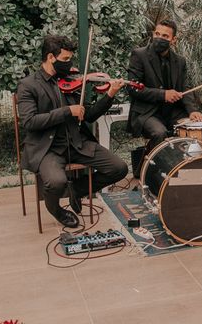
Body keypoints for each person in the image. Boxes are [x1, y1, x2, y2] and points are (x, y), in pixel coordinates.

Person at [16, 35, 128, 228]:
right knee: (56, 182)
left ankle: (77, 189)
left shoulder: (71, 83)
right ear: (51, 57)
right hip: (48, 148)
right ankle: (57, 211)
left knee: (119, 168)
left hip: (77, 143)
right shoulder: (29, 85)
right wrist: (66, 111)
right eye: (65, 60)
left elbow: (89, 115)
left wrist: (110, 94)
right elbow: (29, 122)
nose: (69, 65)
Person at [127, 19, 202, 165]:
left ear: (173, 40)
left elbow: (185, 88)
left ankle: (182, 166)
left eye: (165, 36)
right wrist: (163, 94)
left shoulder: (180, 61)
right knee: (159, 132)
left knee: (194, 127)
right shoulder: (139, 55)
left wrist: (192, 111)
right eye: (157, 34)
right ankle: (153, 171)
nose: (160, 38)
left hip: (172, 111)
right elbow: (133, 88)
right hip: (147, 112)